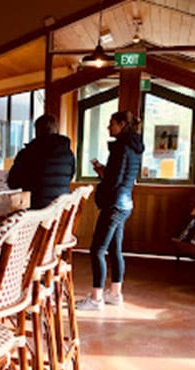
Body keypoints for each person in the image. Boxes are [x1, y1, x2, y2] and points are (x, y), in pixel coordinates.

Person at [76, 110, 144, 311]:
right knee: (114, 250)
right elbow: (122, 176)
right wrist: (102, 170)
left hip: (113, 204)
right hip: (125, 203)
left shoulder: (120, 147)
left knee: (96, 249)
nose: (108, 127)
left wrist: (103, 183)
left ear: (122, 124)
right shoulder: (134, 147)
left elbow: (114, 179)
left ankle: (96, 298)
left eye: (112, 123)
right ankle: (115, 293)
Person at [7, 114, 75, 209]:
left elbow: (12, 183)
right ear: (56, 130)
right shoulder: (68, 154)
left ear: (37, 131)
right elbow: (70, 177)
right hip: (59, 212)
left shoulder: (28, 153)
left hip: (35, 213)